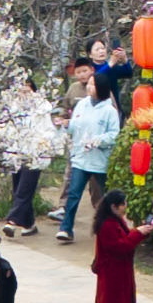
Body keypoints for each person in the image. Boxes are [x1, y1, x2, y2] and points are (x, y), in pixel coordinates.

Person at [56, 72, 119, 243]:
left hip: (99, 160)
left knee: (103, 197)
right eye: (89, 84)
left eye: (93, 85)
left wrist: (99, 141)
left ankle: (109, 229)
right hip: (80, 157)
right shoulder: (82, 105)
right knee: (74, 193)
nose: (89, 88)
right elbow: (75, 127)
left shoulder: (109, 111)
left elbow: (114, 134)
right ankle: (66, 228)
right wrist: (66, 125)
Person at [91, 190, 143, 303]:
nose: (125, 207)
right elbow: (120, 246)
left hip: (119, 272)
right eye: (123, 204)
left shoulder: (116, 221)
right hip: (111, 273)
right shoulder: (107, 225)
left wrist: (139, 233)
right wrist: (138, 233)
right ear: (114, 206)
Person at [2, 75, 57, 236]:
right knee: (18, 187)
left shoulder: (42, 108)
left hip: (35, 154)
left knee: (24, 189)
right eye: (20, 86)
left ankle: (11, 221)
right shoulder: (12, 108)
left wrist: (41, 145)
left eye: (27, 86)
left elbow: (48, 131)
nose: (24, 89)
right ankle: (29, 223)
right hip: (16, 152)